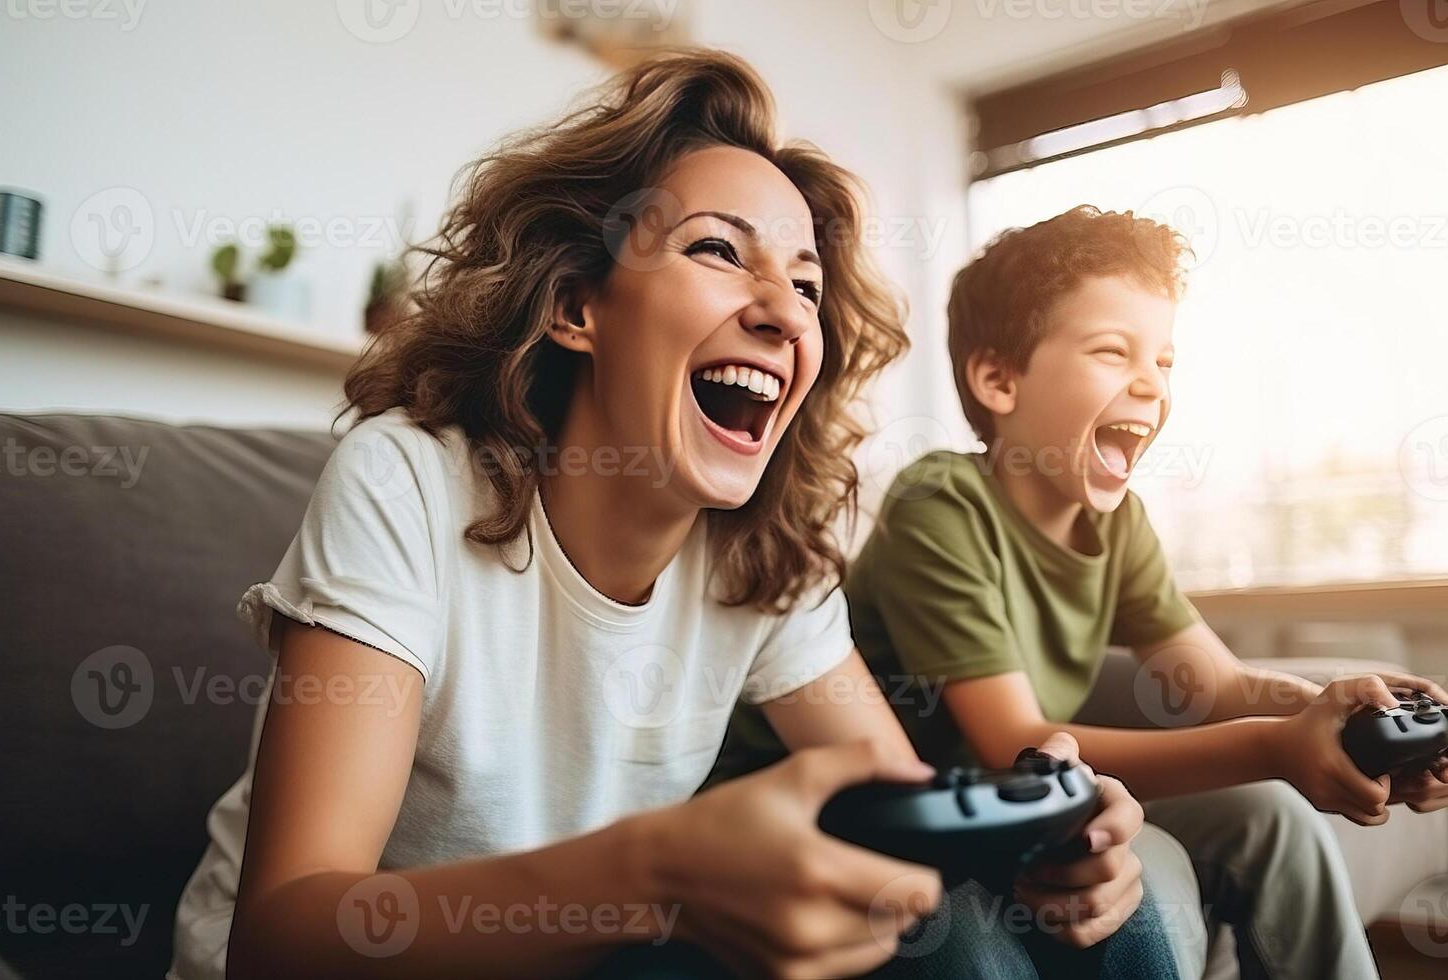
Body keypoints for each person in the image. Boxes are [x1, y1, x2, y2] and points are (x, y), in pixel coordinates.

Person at [168, 58, 1174, 980]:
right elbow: (283, 936)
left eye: (808, 284)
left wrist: (1040, 837)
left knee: (1068, 914)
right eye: (718, 252)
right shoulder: (405, 485)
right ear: (577, 306)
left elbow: (901, 805)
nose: (784, 310)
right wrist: (653, 873)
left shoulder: (767, 556)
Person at [712, 205, 1448, 979]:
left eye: (1164, 360)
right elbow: (1010, 742)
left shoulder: (1119, 521)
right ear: (999, 379)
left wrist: (1338, 710)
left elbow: (1214, 683)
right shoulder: (940, 505)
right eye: (1112, 351)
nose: (1150, 383)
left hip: (1024, 796)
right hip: (894, 807)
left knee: (1272, 815)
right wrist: (1274, 744)